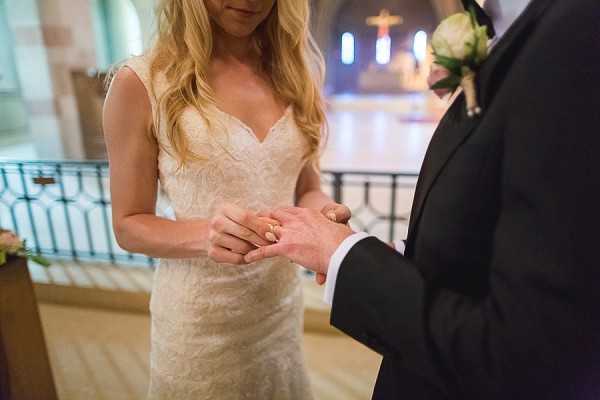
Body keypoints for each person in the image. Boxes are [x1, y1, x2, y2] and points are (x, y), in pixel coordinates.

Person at [246, 0, 600, 398]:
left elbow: (527, 352)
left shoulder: (577, 32)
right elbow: (494, 231)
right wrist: (389, 258)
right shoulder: (527, 24)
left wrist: (344, 257)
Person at [103, 0, 349, 398]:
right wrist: (207, 235)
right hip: (201, 327)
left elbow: (306, 184)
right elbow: (129, 224)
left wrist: (322, 213)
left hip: (279, 308)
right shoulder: (141, 82)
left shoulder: (292, 73)